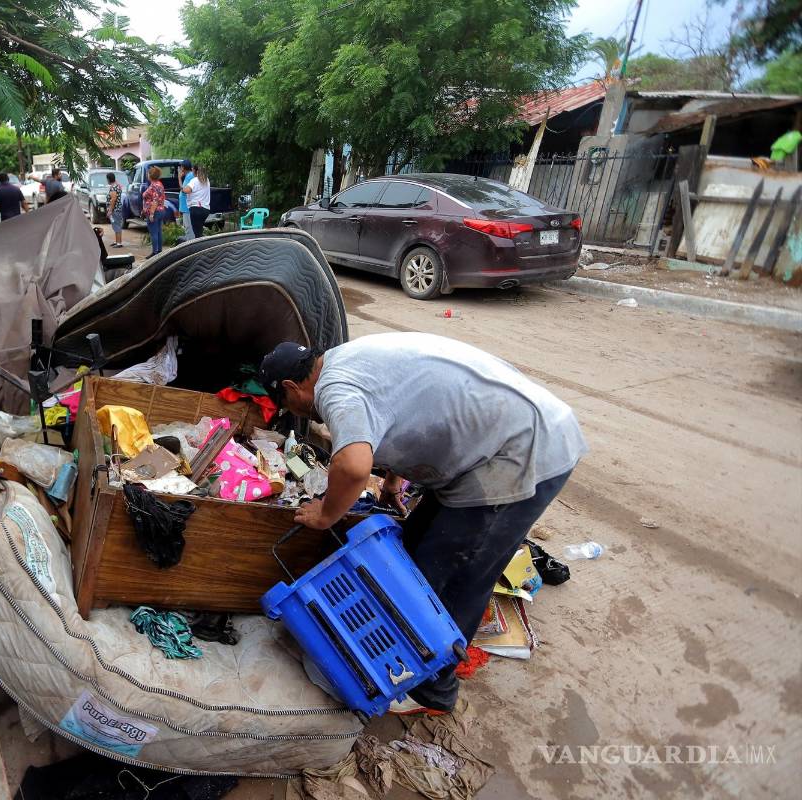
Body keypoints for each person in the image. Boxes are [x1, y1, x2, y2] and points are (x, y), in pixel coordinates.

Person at [258, 332, 586, 714]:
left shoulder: (334, 388)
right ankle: (403, 654)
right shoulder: (343, 359)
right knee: (410, 556)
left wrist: (326, 513)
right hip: (497, 441)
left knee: (451, 575)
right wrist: (395, 477)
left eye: (289, 404)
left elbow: (352, 466)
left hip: (523, 450)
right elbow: (404, 408)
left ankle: (433, 690)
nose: (299, 412)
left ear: (291, 387)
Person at [141, 165, 169, 255]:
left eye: (148, 174)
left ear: (150, 175)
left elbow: (155, 201)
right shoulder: (159, 184)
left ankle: (155, 252)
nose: (147, 175)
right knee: (159, 231)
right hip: (161, 210)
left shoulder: (154, 186)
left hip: (154, 212)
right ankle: (159, 250)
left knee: (153, 232)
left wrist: (151, 214)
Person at [182, 164, 211, 239]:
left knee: (197, 233)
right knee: (199, 230)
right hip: (206, 209)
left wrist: (183, 188)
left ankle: (200, 249)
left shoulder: (194, 181)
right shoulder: (207, 180)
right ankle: (202, 246)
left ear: (195, 171)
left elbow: (187, 190)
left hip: (196, 209)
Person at [105, 172, 125, 247]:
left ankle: (119, 243)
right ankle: (117, 241)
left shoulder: (113, 187)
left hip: (115, 210)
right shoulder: (117, 185)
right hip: (117, 209)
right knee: (116, 225)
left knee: (116, 225)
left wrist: (110, 210)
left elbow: (113, 199)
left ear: (108, 179)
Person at [177, 161, 195, 242]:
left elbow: (184, 190)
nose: (180, 169)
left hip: (187, 207)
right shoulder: (189, 176)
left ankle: (190, 245)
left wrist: (179, 178)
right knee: (187, 227)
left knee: (188, 228)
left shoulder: (189, 176)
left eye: (181, 167)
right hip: (186, 207)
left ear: (183, 168)